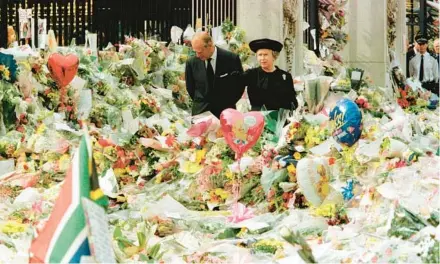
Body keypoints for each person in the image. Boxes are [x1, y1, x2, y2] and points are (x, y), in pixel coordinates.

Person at [185, 32, 244, 117]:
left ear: (210, 44)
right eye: (195, 52)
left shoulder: (231, 59)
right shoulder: (191, 63)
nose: (197, 55)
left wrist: (227, 103)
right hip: (201, 113)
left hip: (225, 113)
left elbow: (239, 85)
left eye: (200, 51)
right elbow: (190, 87)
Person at [240, 38, 298, 111]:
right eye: (260, 55)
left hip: (279, 119)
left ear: (274, 56)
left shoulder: (285, 76)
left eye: (265, 55)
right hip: (257, 119)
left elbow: (293, 102)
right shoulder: (251, 74)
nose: (262, 58)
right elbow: (235, 85)